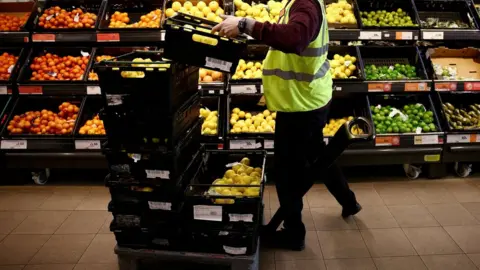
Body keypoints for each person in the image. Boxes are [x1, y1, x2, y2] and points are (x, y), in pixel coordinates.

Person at [212, 0, 361, 251]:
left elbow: (295, 38)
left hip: (300, 104)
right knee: (317, 154)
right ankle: (349, 201)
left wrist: (245, 24)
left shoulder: (304, 4)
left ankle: (294, 233)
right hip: (307, 96)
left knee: (286, 172)